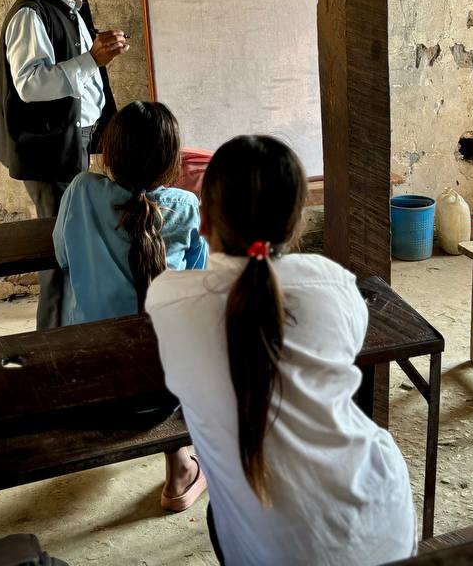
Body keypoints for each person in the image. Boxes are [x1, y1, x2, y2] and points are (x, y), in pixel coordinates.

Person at [146, 136, 416, 565]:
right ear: (293, 227)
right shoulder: (332, 283)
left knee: (222, 513)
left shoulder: (168, 301)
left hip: (273, 549)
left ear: (203, 222)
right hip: (381, 518)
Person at [54, 100, 207, 512]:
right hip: (164, 394)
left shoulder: (82, 191)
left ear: (111, 153)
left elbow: (62, 256)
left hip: (90, 381)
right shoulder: (185, 207)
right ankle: (180, 468)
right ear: (172, 161)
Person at [0, 0, 125, 330]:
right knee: (61, 252)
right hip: (49, 149)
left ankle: (66, 336)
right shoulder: (31, 13)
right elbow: (31, 84)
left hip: (72, 141)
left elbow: (79, 75)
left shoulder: (72, 6)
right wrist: (93, 60)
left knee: (70, 246)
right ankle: (52, 345)